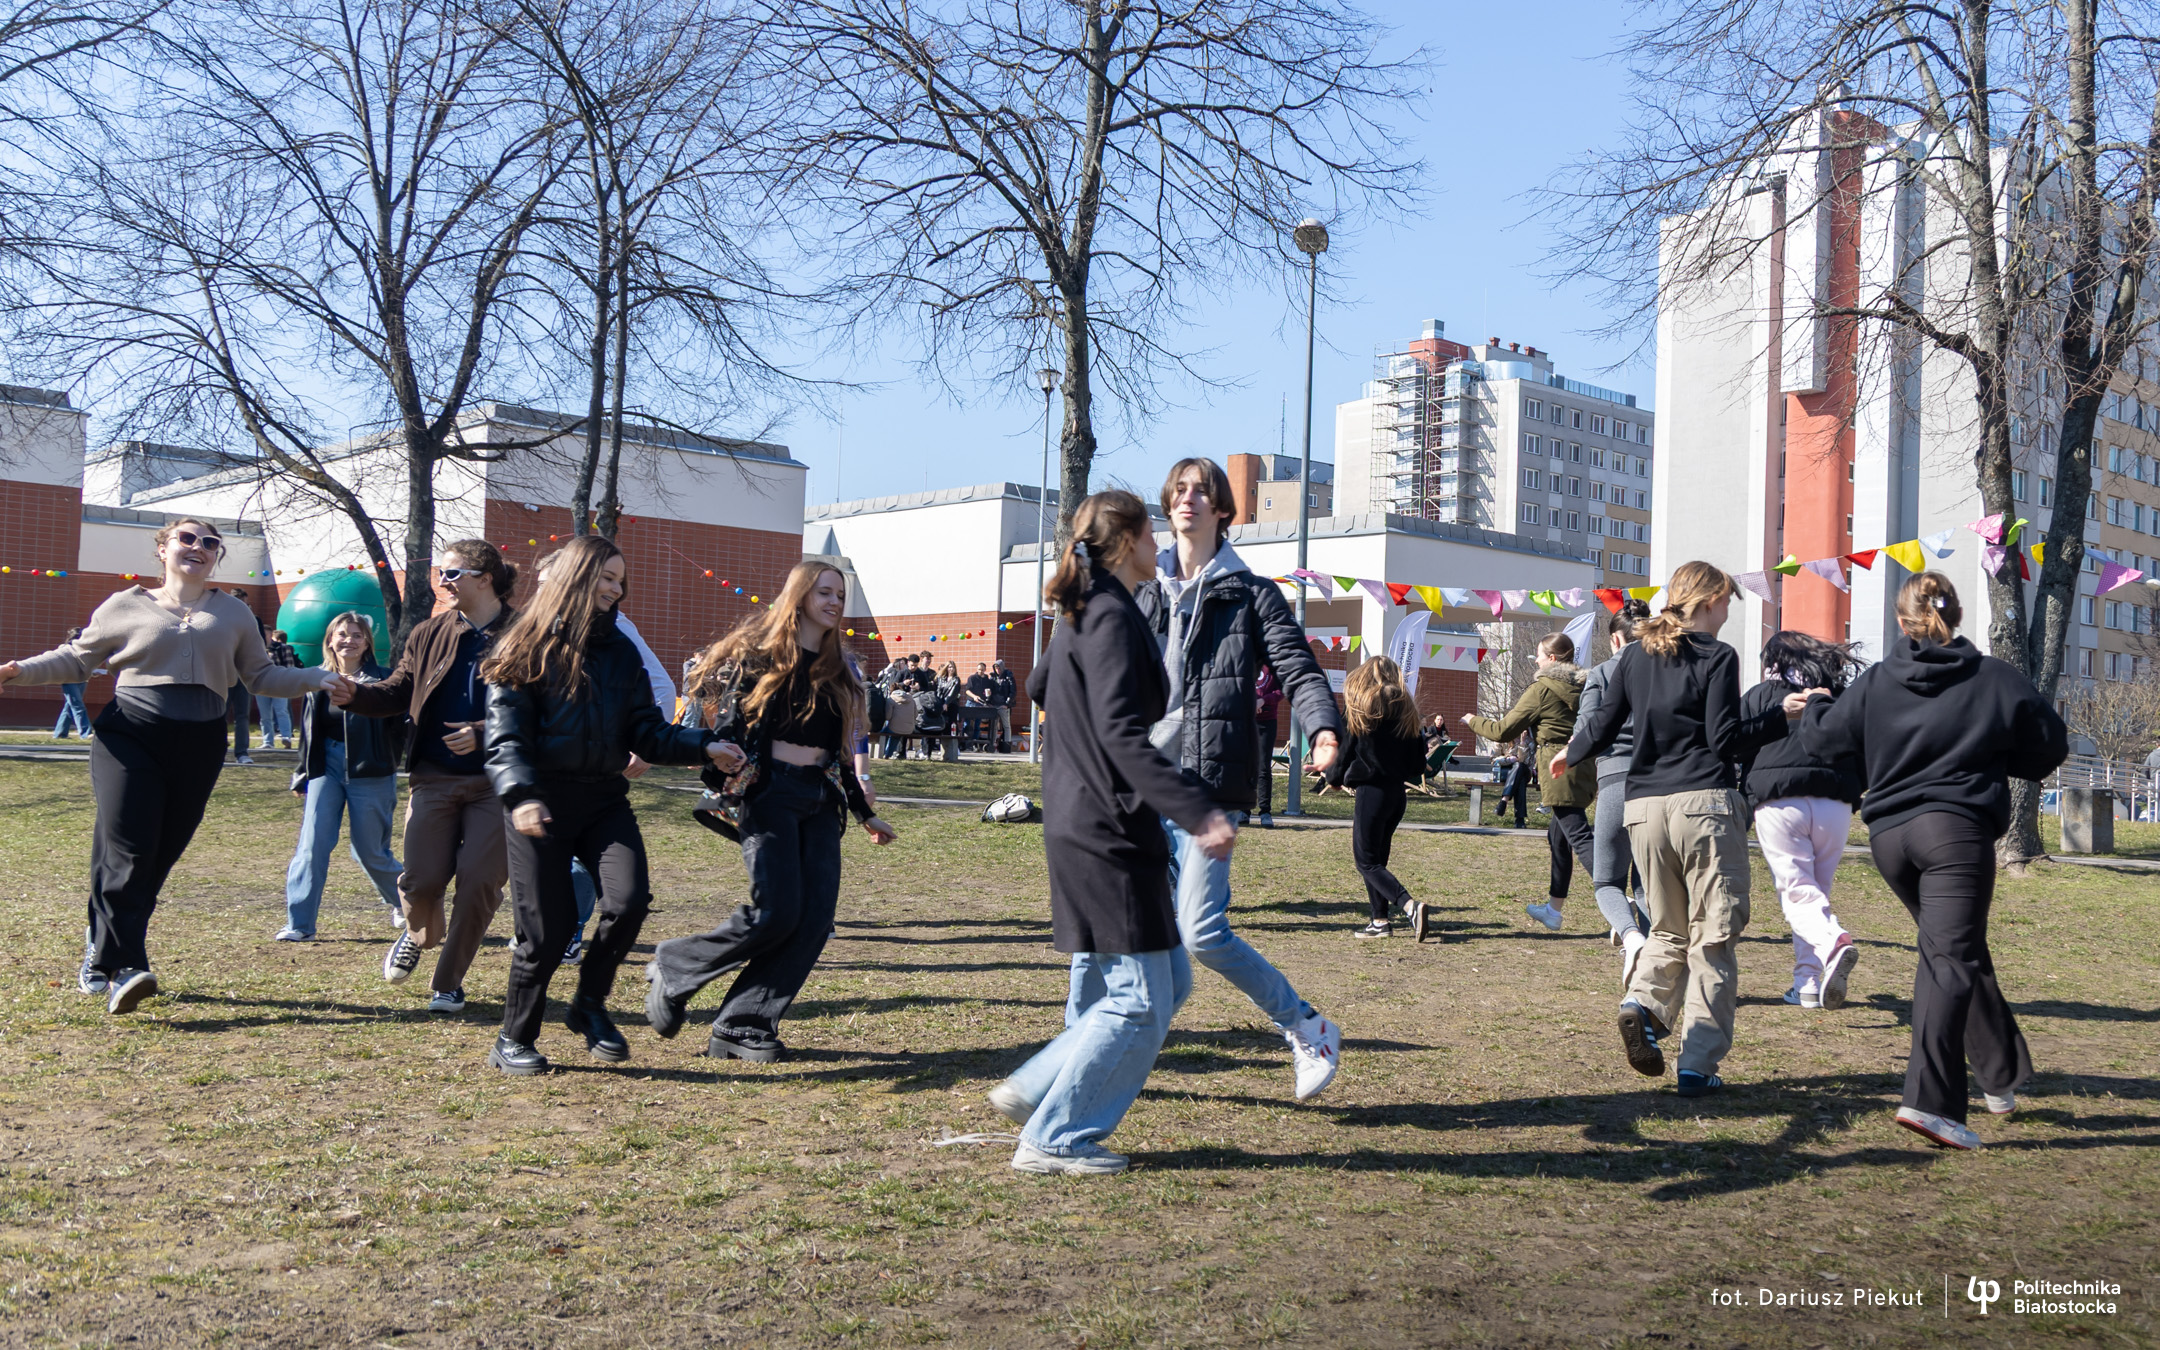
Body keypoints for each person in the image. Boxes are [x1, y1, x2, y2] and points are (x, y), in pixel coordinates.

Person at [984, 490, 1234, 1175]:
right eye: (1150, 537)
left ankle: (1037, 1087)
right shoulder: (1110, 617)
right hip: (1107, 828)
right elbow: (1125, 733)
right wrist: (1196, 810)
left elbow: (1039, 684)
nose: (1158, 547)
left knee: (1171, 982)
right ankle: (1053, 1138)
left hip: (1083, 818)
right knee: (1139, 998)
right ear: (1124, 543)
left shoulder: (1083, 613)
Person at [0, 519, 334, 1013]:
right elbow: (76, 658)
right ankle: (125, 967)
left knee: (154, 856)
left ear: (217, 556)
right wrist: (17, 672)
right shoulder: (124, 605)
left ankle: (100, 949)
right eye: (186, 538)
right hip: (130, 735)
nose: (197, 547)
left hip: (200, 742)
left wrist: (317, 677)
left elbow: (261, 675)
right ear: (162, 549)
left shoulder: (235, 612)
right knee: (130, 849)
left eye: (209, 543)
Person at [1796, 572, 2067, 1150]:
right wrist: (1992, 754)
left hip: (1891, 841)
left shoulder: (1874, 682)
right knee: (1950, 958)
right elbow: (2050, 747)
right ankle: (1931, 1104)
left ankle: (1999, 1077)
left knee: (1956, 949)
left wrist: (1817, 706)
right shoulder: (1995, 677)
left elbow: (1823, 741)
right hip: (1955, 837)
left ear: (1902, 621)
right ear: (1960, 615)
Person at [478, 535, 741, 1074]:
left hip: (603, 799)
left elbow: (645, 731)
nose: (616, 588)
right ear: (577, 575)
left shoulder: (620, 650)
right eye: (606, 577)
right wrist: (522, 796)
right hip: (539, 805)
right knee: (546, 932)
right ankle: (514, 1038)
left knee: (629, 900)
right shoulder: (521, 645)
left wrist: (702, 745)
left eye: (620, 580)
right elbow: (505, 740)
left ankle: (588, 1004)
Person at [1137, 456, 1344, 1101]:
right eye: (1179, 491)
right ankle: (1104, 1055)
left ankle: (1308, 1025)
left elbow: (1299, 669)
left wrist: (1325, 729)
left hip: (1202, 787)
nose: (1188, 499)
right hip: (1137, 785)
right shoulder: (1143, 588)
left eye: (1202, 491)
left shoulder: (1252, 594)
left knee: (1199, 931)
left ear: (1224, 510)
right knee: (1135, 938)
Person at [1556, 561, 1794, 1097]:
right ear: (1708, 601)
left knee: (1666, 929)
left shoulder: (1635, 654)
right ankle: (1698, 1065)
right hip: (1702, 805)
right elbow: (1725, 739)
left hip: (1644, 809)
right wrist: (1786, 716)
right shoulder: (1718, 655)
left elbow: (1603, 720)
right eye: (1727, 602)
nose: (1730, 612)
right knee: (1713, 937)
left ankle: (1641, 1007)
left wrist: (1572, 753)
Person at [648, 560, 896, 1062]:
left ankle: (742, 1025)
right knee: (777, 911)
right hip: (768, 794)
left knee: (813, 919)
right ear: (800, 595)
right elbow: (727, 727)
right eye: (825, 592)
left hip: (820, 800)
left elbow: (840, 752)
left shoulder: (837, 668)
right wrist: (721, 771)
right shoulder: (759, 658)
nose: (833, 602)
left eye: (839, 596)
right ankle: (677, 964)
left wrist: (864, 810)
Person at [333, 540, 517, 1013]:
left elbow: (543, 708)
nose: (442, 582)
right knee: (420, 880)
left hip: (499, 781)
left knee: (479, 882)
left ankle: (448, 982)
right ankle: (418, 935)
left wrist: (482, 732)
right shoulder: (428, 632)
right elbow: (399, 690)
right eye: (439, 573)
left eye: (451, 574)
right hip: (433, 776)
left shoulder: (526, 633)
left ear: (484, 577)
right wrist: (354, 694)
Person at [1738, 631, 1866, 1011]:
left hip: (1779, 799)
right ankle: (1807, 984)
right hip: (1835, 802)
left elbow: (1735, 742)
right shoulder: (1839, 698)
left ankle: (1833, 943)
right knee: (1815, 894)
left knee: (1797, 892)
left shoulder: (1763, 695)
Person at [277, 612, 405, 940]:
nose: (348, 640)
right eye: (342, 634)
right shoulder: (316, 679)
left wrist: (397, 760)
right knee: (312, 845)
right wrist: (301, 773)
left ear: (367, 644)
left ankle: (408, 906)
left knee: (369, 851)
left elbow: (402, 728)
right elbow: (308, 731)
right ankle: (299, 925)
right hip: (325, 768)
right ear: (330, 641)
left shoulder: (385, 679)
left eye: (356, 635)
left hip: (372, 770)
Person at [1459, 632, 1595, 931]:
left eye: (1538, 654)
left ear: (1553, 659)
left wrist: (1471, 720)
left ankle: (1623, 904)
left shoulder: (1542, 689)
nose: (1534, 659)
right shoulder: (1587, 687)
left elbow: (1503, 731)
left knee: (1581, 838)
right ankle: (1554, 911)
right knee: (1558, 839)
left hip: (1558, 770)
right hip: (1583, 765)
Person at [1576, 599, 1653, 986]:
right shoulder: (1666, 672)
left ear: (1615, 640)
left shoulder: (1604, 673)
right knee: (1646, 880)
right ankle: (1658, 958)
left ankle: (1632, 936)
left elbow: (1586, 731)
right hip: (1660, 785)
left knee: (1607, 881)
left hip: (1615, 780)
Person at [1326, 657, 1430, 939]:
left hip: (1371, 792)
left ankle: (1410, 906)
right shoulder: (1407, 710)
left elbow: (1346, 748)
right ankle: (1379, 921)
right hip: (1397, 795)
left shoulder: (1361, 708)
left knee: (1366, 862)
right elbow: (1419, 765)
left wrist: (1333, 778)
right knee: (1377, 862)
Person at [1251, 665, 1283, 826]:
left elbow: (1280, 692)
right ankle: (1244, 809)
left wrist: (1263, 701)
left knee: (1264, 767)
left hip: (1267, 722)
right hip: (1247, 720)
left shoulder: (1275, 666)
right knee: (1247, 765)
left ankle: (1265, 811)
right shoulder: (1248, 660)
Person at [258, 630, 300, 749]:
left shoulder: (282, 648)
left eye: (264, 633)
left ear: (271, 635)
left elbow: (290, 666)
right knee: (265, 715)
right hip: (261, 685)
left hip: (279, 684)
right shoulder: (257, 649)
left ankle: (286, 737)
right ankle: (267, 741)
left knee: (281, 711)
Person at [50, 628, 93, 739]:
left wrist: (93, 672)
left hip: (83, 679)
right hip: (69, 680)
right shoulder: (64, 649)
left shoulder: (85, 649)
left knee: (69, 706)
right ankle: (85, 733)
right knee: (78, 705)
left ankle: (60, 733)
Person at [987, 656, 1017, 751]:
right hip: (994, 704)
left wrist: (1007, 704)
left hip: (1003, 705)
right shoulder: (992, 678)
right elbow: (989, 690)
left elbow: (1013, 691)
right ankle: (992, 744)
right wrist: (988, 700)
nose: (997, 670)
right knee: (993, 726)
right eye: (996, 668)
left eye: (999, 668)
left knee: (1006, 725)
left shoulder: (1008, 677)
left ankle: (1007, 744)